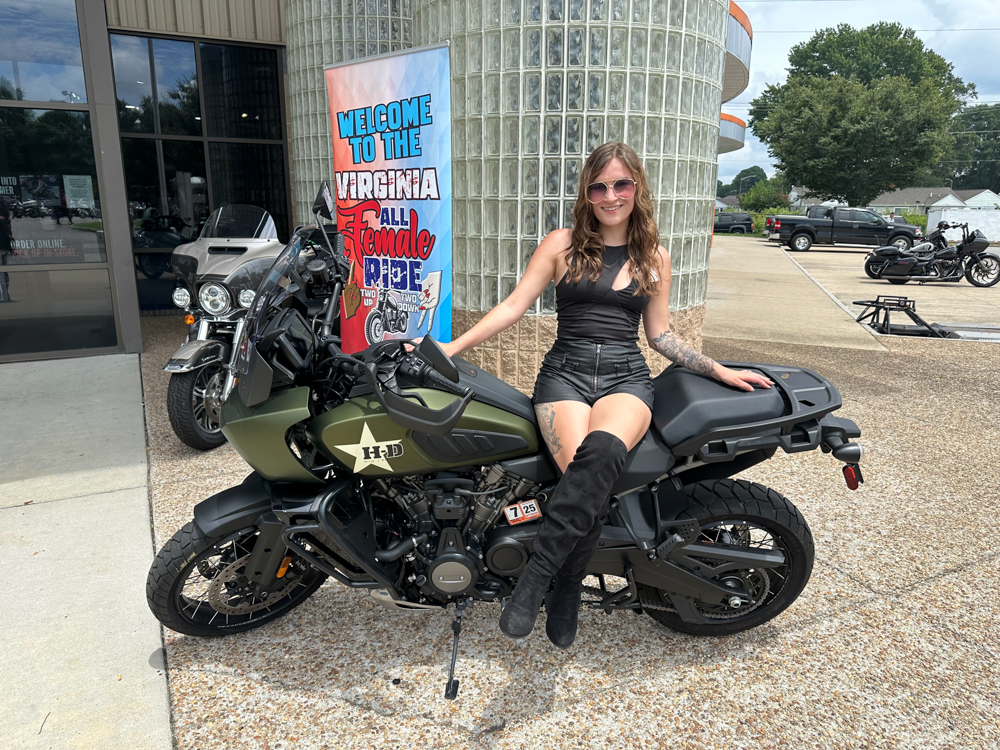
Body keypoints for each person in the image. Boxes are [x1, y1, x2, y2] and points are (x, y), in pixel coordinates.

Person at [438, 142, 772, 647]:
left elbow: (660, 334)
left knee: (601, 455)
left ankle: (539, 581)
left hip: (626, 378)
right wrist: (450, 348)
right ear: (586, 194)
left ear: (637, 188)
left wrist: (718, 369)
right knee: (585, 485)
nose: (610, 196)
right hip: (564, 377)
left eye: (621, 184)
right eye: (598, 187)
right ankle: (567, 589)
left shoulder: (654, 256)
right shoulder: (561, 244)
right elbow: (512, 306)